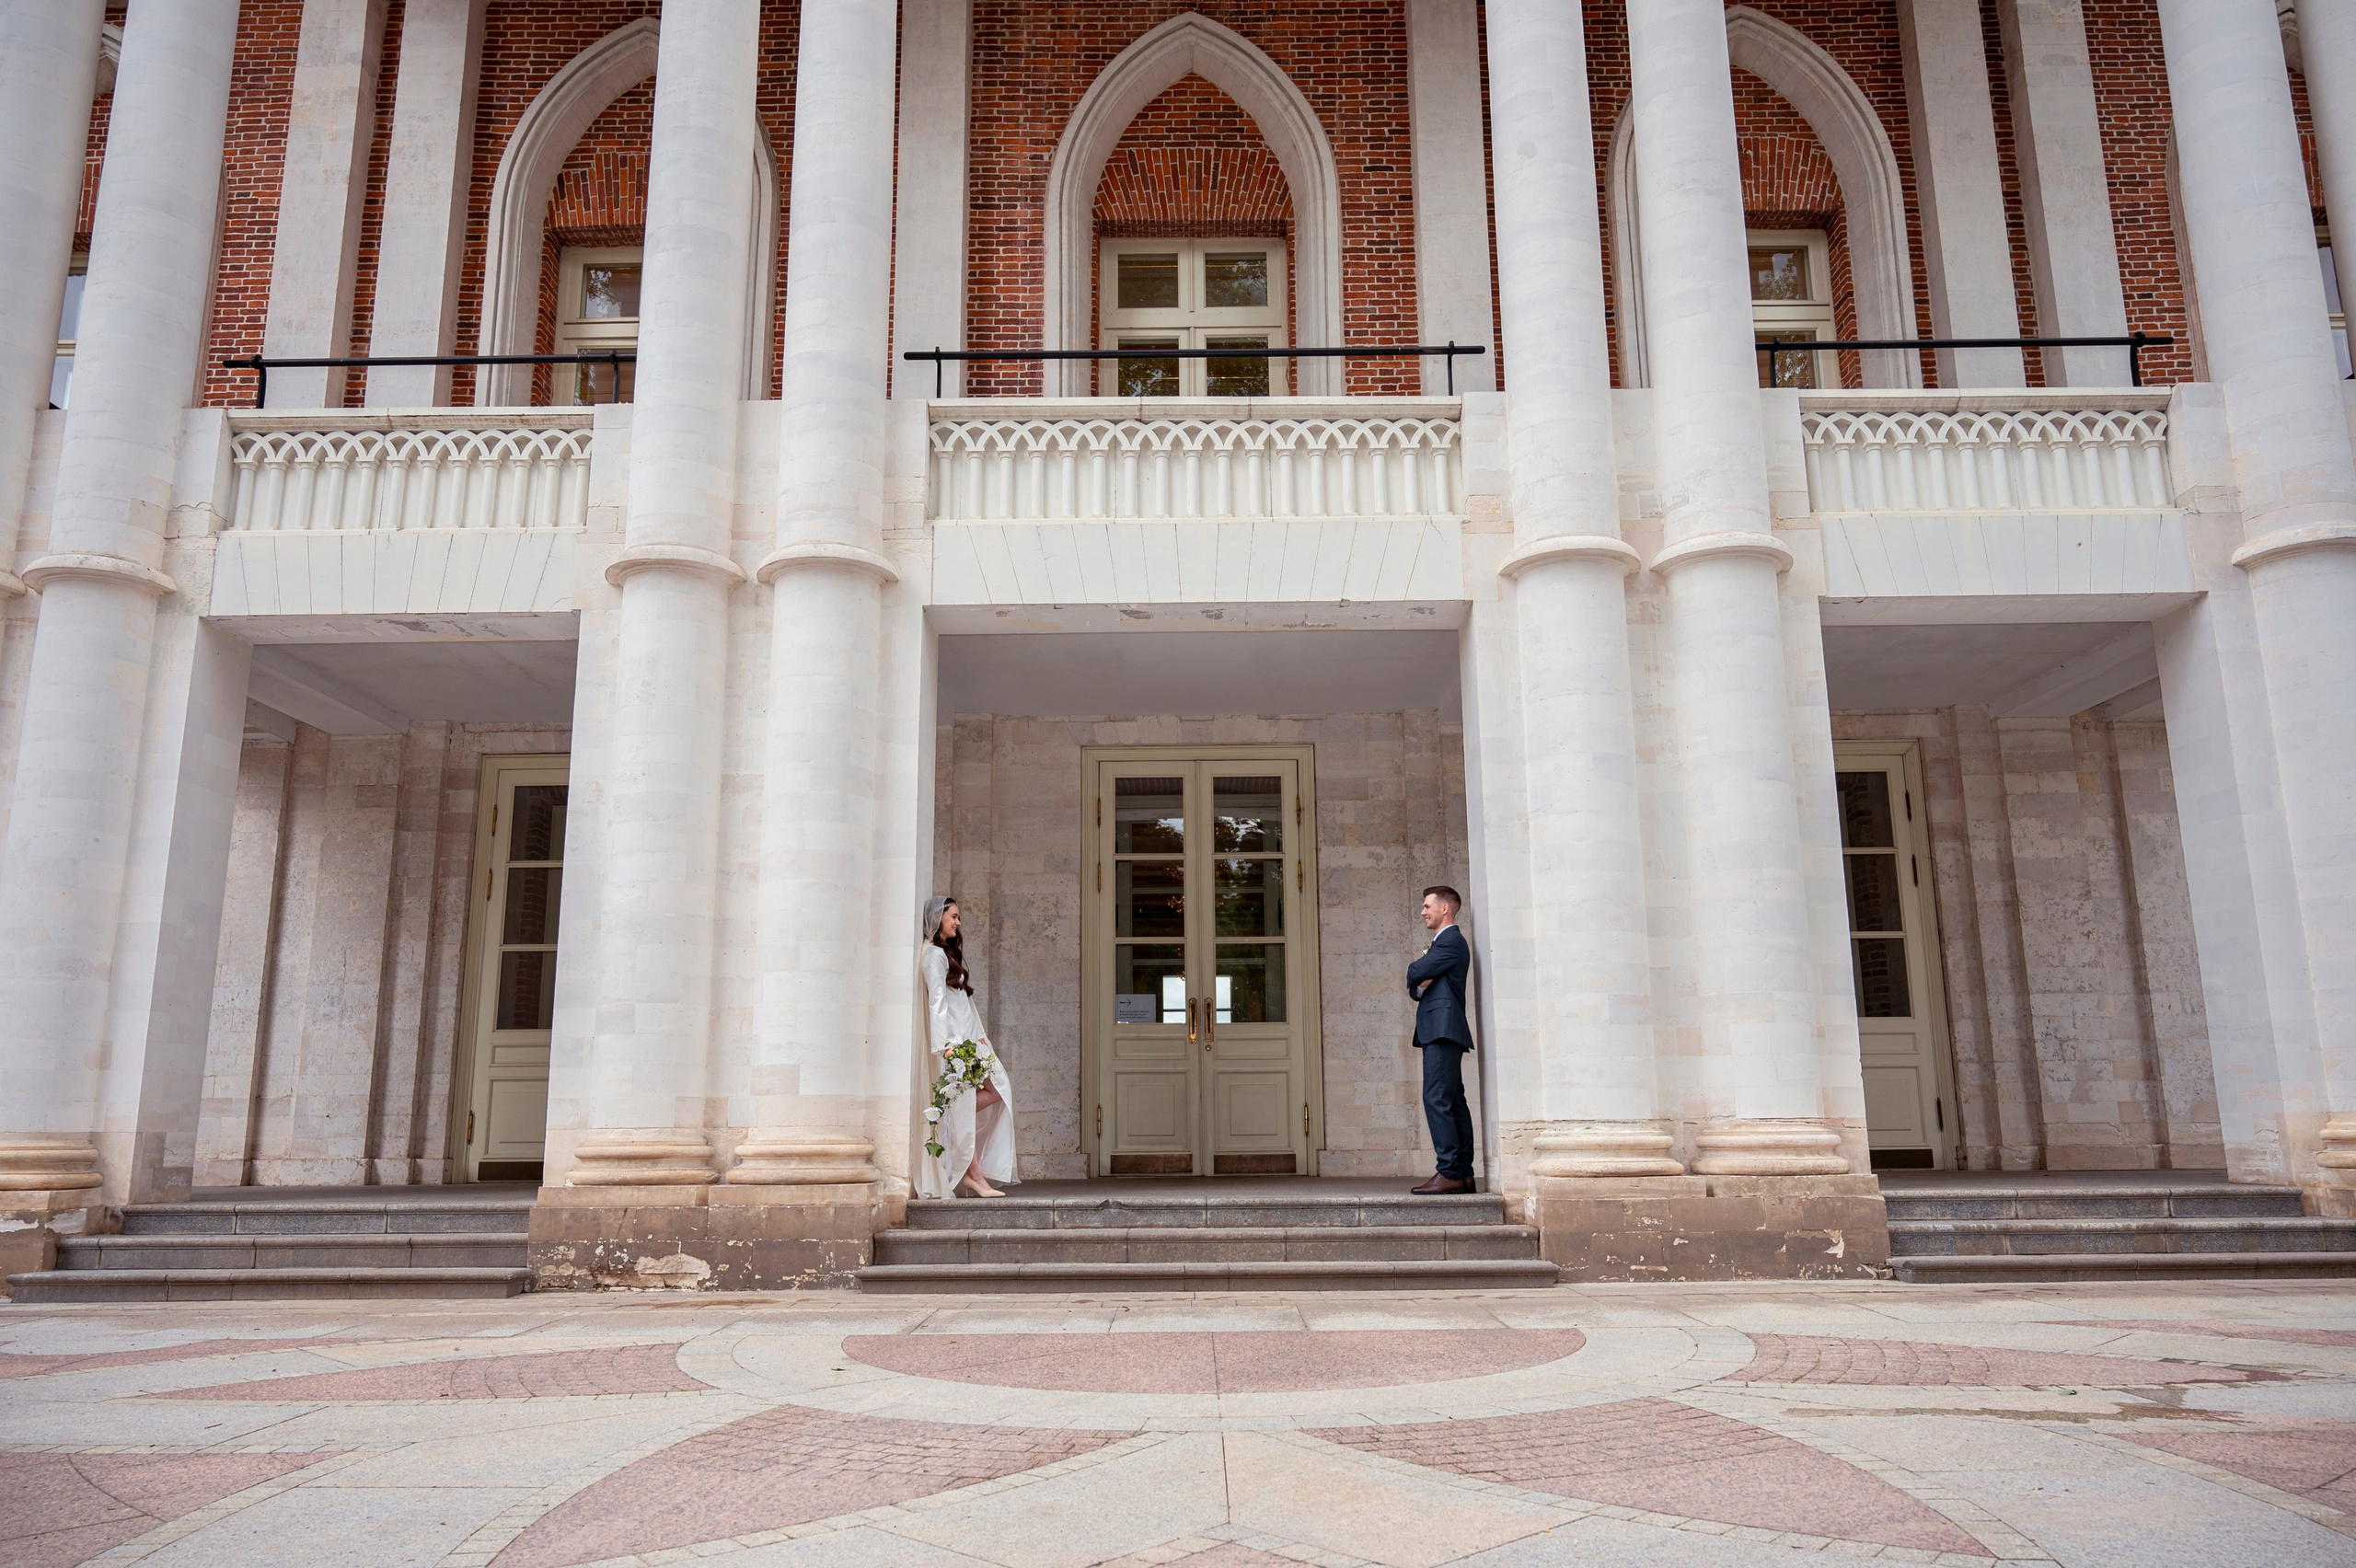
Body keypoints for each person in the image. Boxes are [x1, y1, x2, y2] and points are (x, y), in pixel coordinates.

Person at [917, 896, 1019, 1198]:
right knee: (963, 1103)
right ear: (939, 918)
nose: (958, 923)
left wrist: (980, 1037)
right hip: (955, 1045)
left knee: (999, 1088)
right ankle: (974, 1177)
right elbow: (937, 1002)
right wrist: (944, 1046)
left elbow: (962, 1004)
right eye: (954, 917)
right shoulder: (933, 955)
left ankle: (954, 1123)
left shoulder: (947, 953)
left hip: (971, 1042)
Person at [1404, 885, 1476, 1194]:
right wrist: (1421, 980)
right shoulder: (1443, 944)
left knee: (1436, 1098)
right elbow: (1416, 988)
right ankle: (1463, 1173)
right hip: (1443, 1028)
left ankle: (1448, 1171)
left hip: (1442, 1028)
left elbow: (1415, 972)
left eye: (1427, 906)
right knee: (1453, 1101)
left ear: (1445, 908)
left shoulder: (1450, 940)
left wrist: (1417, 972)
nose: (1422, 912)